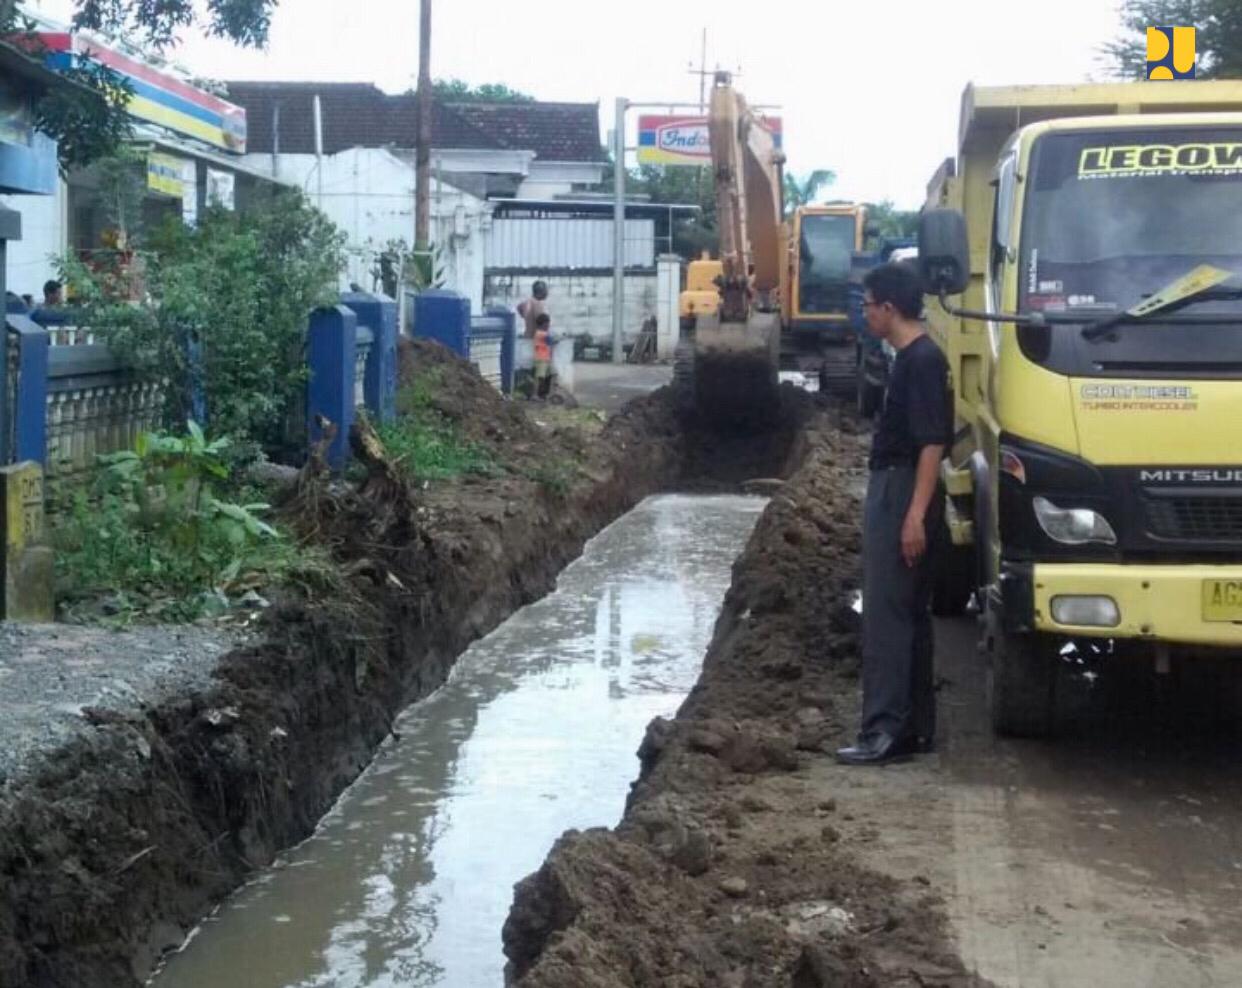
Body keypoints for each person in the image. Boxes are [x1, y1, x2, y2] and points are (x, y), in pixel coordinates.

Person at [836, 261, 952, 767]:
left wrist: (912, 515)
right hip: (904, 488)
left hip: (902, 489)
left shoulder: (921, 361)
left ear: (888, 307)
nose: (865, 315)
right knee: (909, 614)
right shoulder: (914, 358)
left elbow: (932, 444)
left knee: (886, 614)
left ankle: (884, 730)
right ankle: (914, 728)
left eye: (868, 305)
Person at [531, 312, 555, 399]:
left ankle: (545, 393)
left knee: (549, 375)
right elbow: (550, 341)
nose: (548, 325)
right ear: (543, 324)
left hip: (546, 358)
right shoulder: (541, 334)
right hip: (541, 358)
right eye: (547, 323)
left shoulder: (542, 333)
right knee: (539, 377)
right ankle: (535, 394)